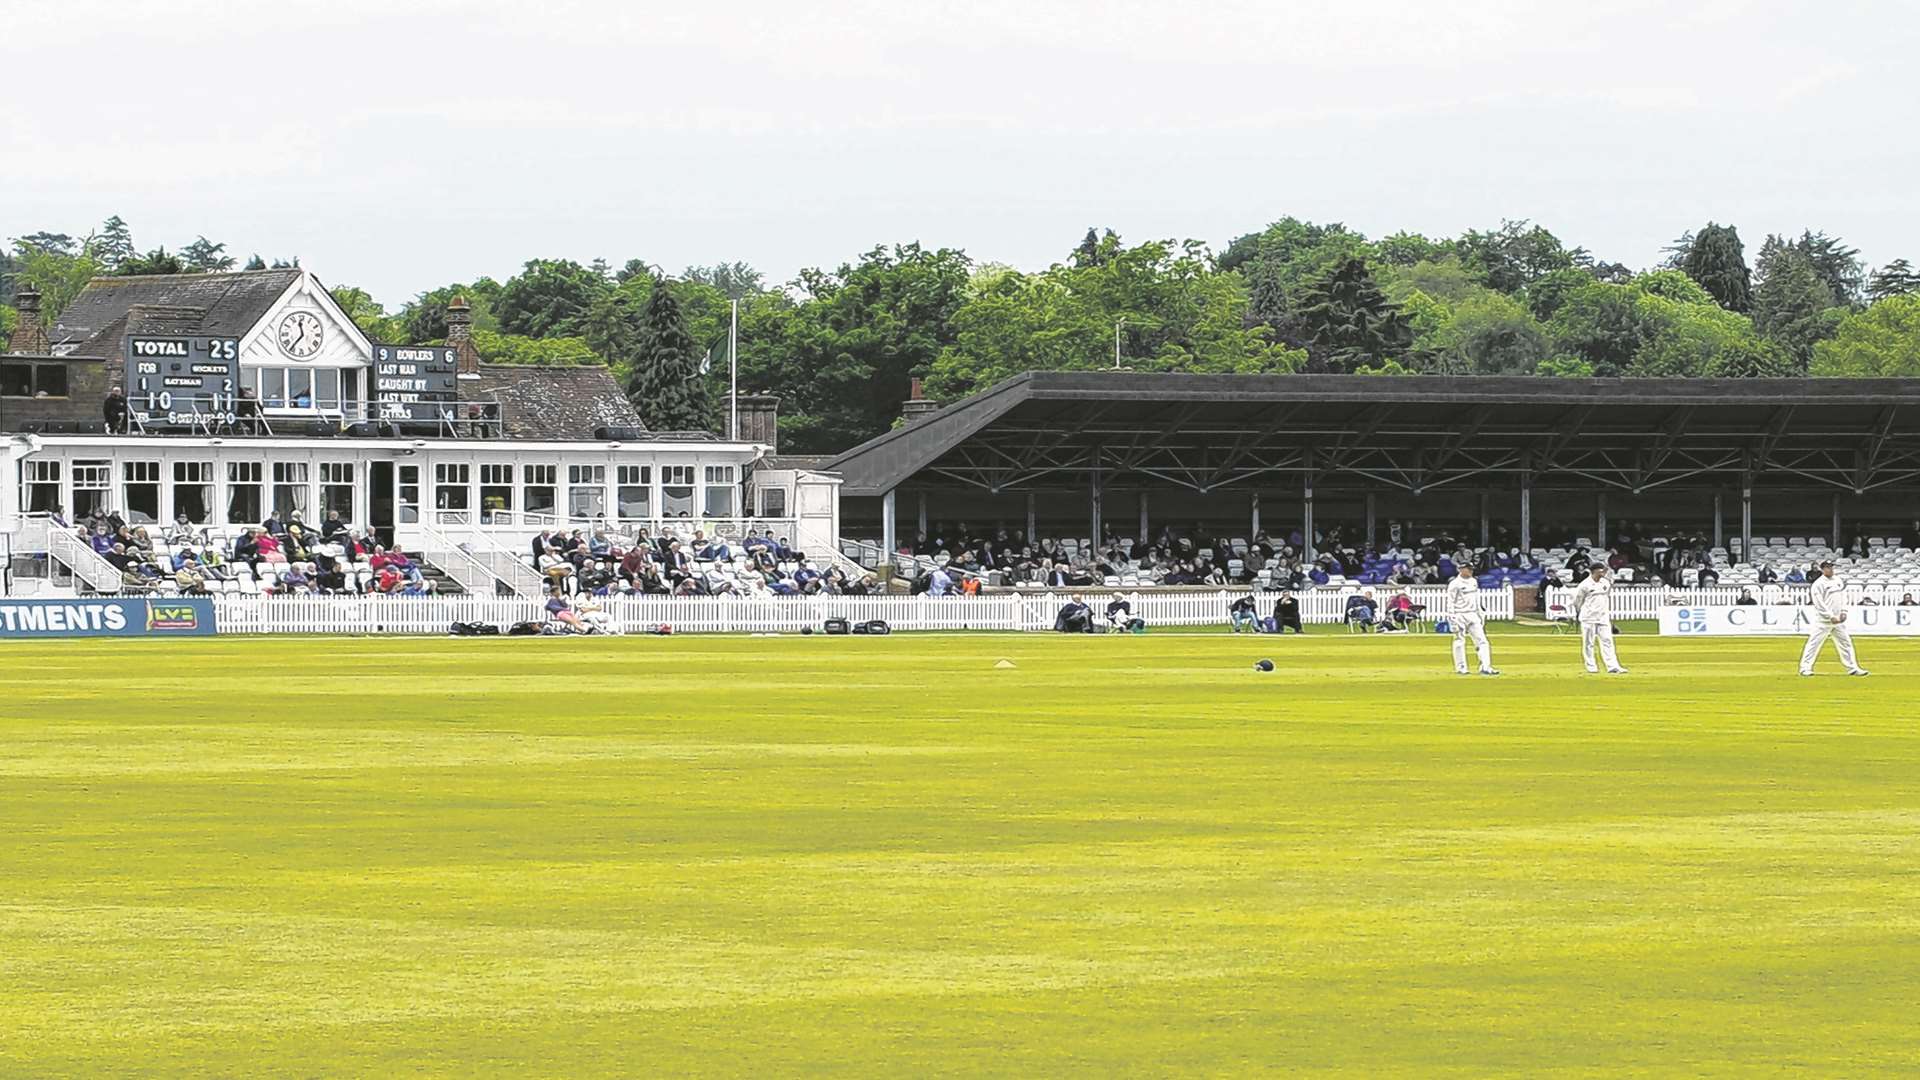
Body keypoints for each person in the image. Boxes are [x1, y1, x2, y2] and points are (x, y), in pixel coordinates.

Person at [1801, 560, 1868, 676]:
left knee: (1846, 643)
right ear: (1822, 569)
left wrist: (1844, 611)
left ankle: (1852, 668)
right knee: (1814, 643)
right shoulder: (1818, 584)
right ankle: (1805, 668)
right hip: (1824, 621)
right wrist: (1830, 616)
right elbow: (1819, 603)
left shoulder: (1837, 580)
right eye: (1827, 567)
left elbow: (1843, 597)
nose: (1830, 569)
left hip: (1838, 621)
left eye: (1831, 567)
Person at [1571, 565, 1627, 674]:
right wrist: (1579, 613)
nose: (1604, 572)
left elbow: (1605, 597)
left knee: (1608, 641)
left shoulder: (1605, 583)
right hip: (1588, 617)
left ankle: (1612, 666)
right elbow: (1577, 601)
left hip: (1603, 617)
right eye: (1601, 570)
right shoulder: (1584, 585)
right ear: (1594, 571)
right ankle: (1591, 666)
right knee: (1589, 643)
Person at [1445, 564, 1499, 676]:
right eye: (1468, 569)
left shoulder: (1474, 581)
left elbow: (1476, 599)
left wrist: (1480, 614)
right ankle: (1461, 667)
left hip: (1473, 614)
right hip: (1459, 614)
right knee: (1459, 641)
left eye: (1471, 569)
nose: (1470, 571)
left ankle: (1485, 667)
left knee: (1482, 641)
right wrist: (1452, 618)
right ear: (1461, 570)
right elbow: (1450, 602)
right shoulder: (1454, 584)